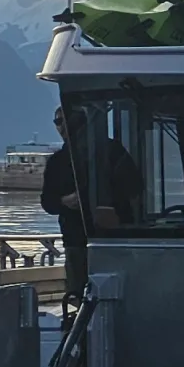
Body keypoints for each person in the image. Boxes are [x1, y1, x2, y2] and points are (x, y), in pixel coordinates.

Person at [41, 108, 144, 299]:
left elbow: (135, 187)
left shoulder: (112, 151)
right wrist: (65, 201)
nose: (63, 127)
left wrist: (109, 202)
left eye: (68, 121)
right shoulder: (57, 162)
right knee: (77, 294)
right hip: (75, 240)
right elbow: (47, 203)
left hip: (115, 237)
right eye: (58, 122)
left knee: (121, 292)